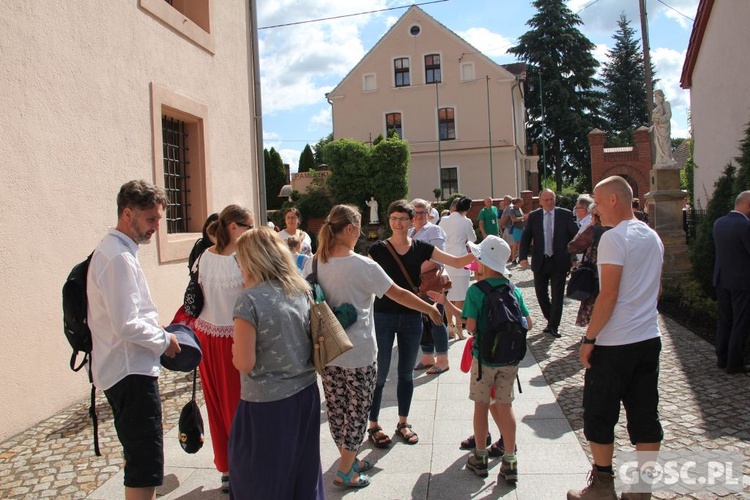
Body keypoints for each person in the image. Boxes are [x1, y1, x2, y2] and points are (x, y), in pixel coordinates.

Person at [306, 205, 442, 487]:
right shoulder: (363, 265)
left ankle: (349, 458)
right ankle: (346, 471)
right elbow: (399, 294)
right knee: (357, 412)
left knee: (337, 409)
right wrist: (429, 309)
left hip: (327, 349)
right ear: (351, 230)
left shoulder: (314, 262)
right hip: (358, 351)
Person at [567, 176, 664, 500]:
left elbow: (608, 295)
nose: (594, 208)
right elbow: (657, 289)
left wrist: (589, 338)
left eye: (597, 200)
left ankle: (603, 486)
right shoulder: (652, 237)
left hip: (614, 343)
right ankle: (641, 490)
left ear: (613, 200)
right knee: (645, 415)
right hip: (648, 338)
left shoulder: (613, 238)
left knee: (599, 414)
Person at [87, 180, 180, 500]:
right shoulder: (118, 257)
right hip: (130, 372)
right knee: (144, 463)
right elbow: (127, 324)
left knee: (143, 459)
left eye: (159, 219)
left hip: (129, 369)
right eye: (151, 219)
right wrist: (164, 339)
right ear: (127, 214)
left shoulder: (118, 251)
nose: (156, 227)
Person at [367, 200, 475, 447]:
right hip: (383, 315)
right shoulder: (377, 249)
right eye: (394, 218)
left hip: (412, 316)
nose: (398, 223)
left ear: (412, 220)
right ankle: (373, 424)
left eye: (403, 218)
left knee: (405, 373)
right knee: (380, 373)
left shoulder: (421, 247)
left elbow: (456, 262)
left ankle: (403, 422)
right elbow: (362, 277)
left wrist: (485, 252)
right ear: (389, 220)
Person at [230, 227, 323, 499]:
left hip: (266, 403)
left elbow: (245, 362)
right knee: (303, 474)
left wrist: (235, 349)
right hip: (305, 394)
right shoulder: (299, 289)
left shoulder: (248, 300)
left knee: (261, 479)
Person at [193, 204, 253, 492]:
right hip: (232, 336)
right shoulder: (240, 259)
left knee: (216, 404)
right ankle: (241, 469)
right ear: (234, 227)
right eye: (248, 227)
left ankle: (227, 468)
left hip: (206, 336)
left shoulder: (204, 256)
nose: (251, 233)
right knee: (236, 406)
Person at [462, 236, 532, 483]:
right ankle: (510, 460)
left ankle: (480, 457)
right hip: (510, 360)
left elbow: (470, 328)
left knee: (481, 406)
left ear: (483, 261)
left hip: (484, 360)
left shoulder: (475, 290)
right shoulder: (513, 288)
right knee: (506, 406)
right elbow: (528, 323)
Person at [519, 189, 579, 338]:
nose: (549, 202)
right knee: (541, 294)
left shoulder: (564, 214)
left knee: (557, 294)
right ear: (540, 201)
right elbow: (526, 237)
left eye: (551, 199)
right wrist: (522, 257)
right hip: (541, 260)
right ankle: (550, 319)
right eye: (546, 200)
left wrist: (573, 257)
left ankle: (553, 325)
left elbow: (575, 236)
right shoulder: (534, 216)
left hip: (559, 260)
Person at [409, 198, 451, 374]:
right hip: (415, 283)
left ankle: (443, 359)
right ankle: (427, 356)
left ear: (429, 214)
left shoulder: (435, 230)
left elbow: (436, 259)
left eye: (422, 212)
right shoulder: (409, 232)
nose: (419, 216)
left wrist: (412, 270)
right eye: (415, 212)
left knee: (435, 318)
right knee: (421, 320)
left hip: (431, 281)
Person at [712, 190, 750, 374]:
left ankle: (722, 357)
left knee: (725, 320)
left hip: (721, 278)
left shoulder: (719, 223)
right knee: (740, 322)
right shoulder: (745, 226)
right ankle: (734, 363)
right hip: (742, 281)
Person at [439, 196, 477, 339]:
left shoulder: (444, 219)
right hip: (461, 259)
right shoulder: (466, 221)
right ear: (467, 209)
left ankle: (450, 326)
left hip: (446, 257)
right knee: (460, 296)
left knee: (448, 295)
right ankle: (459, 327)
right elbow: (473, 239)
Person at [567, 206, 611, 327]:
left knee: (593, 305)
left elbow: (573, 247)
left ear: (595, 216)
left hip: (594, 273)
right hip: (612, 273)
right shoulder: (616, 228)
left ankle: (593, 335)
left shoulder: (594, 230)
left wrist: (584, 230)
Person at [651, 89, 676, 168]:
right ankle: (661, 160)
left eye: (656, 96)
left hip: (664, 128)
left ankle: (667, 159)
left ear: (660, 96)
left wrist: (660, 120)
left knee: (665, 143)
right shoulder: (658, 107)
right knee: (658, 144)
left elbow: (669, 115)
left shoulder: (666, 103)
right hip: (658, 128)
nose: (655, 98)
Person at [509, 197, 526, 264]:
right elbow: (514, 219)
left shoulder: (520, 208)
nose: (522, 203)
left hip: (522, 227)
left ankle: (519, 257)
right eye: (521, 202)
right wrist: (523, 217)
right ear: (518, 202)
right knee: (516, 243)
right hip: (516, 228)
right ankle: (513, 258)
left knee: (520, 243)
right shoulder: (512, 209)